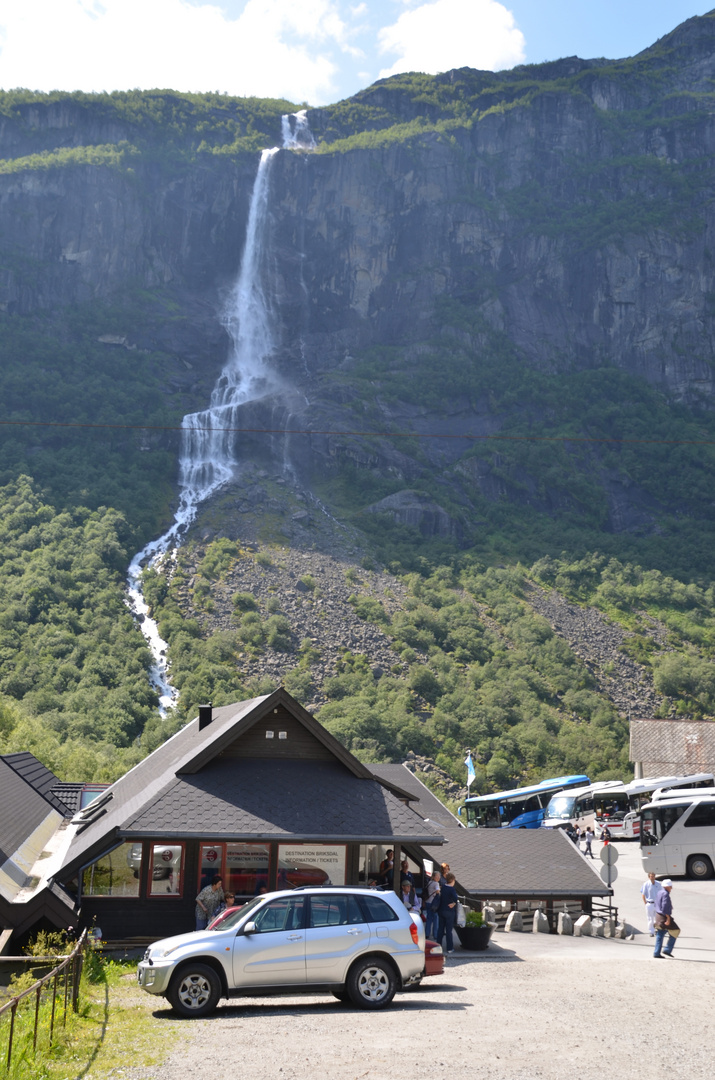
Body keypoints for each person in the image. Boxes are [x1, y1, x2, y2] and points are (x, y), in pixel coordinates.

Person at [653, 879, 677, 958]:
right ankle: (667, 949)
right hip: (664, 916)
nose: (671, 888)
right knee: (675, 930)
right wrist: (668, 918)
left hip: (658, 915)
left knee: (660, 933)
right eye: (670, 886)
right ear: (667, 887)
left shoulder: (659, 892)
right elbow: (665, 907)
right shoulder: (665, 894)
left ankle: (657, 952)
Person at [438, 871, 459, 954]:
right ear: (453, 880)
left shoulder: (443, 887)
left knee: (440, 929)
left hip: (441, 910)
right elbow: (455, 898)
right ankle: (449, 948)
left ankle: (438, 946)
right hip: (449, 912)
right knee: (449, 931)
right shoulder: (452, 889)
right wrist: (453, 903)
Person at [640, 872, 664, 936]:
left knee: (657, 918)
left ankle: (657, 929)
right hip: (649, 903)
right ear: (649, 877)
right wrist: (645, 903)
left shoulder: (658, 884)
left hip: (657, 903)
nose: (652, 877)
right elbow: (643, 894)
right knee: (650, 918)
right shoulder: (646, 884)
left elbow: (661, 893)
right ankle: (651, 931)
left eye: (653, 876)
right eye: (651, 876)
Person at [424, 869, 441, 940]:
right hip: (433, 903)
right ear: (434, 877)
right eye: (437, 876)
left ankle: (427, 933)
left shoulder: (429, 882)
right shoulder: (436, 884)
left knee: (429, 918)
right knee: (435, 918)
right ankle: (435, 934)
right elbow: (437, 891)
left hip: (427, 901)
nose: (438, 877)